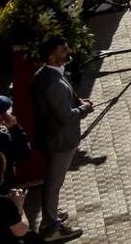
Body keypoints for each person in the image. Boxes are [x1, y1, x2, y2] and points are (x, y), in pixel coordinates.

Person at [30, 37, 90, 242]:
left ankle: (51, 214)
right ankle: (52, 225)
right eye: (64, 50)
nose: (69, 50)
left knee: (53, 182)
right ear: (52, 56)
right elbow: (65, 117)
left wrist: (77, 101)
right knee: (54, 183)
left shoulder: (46, 74)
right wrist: (84, 108)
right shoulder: (53, 83)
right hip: (60, 140)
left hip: (53, 136)